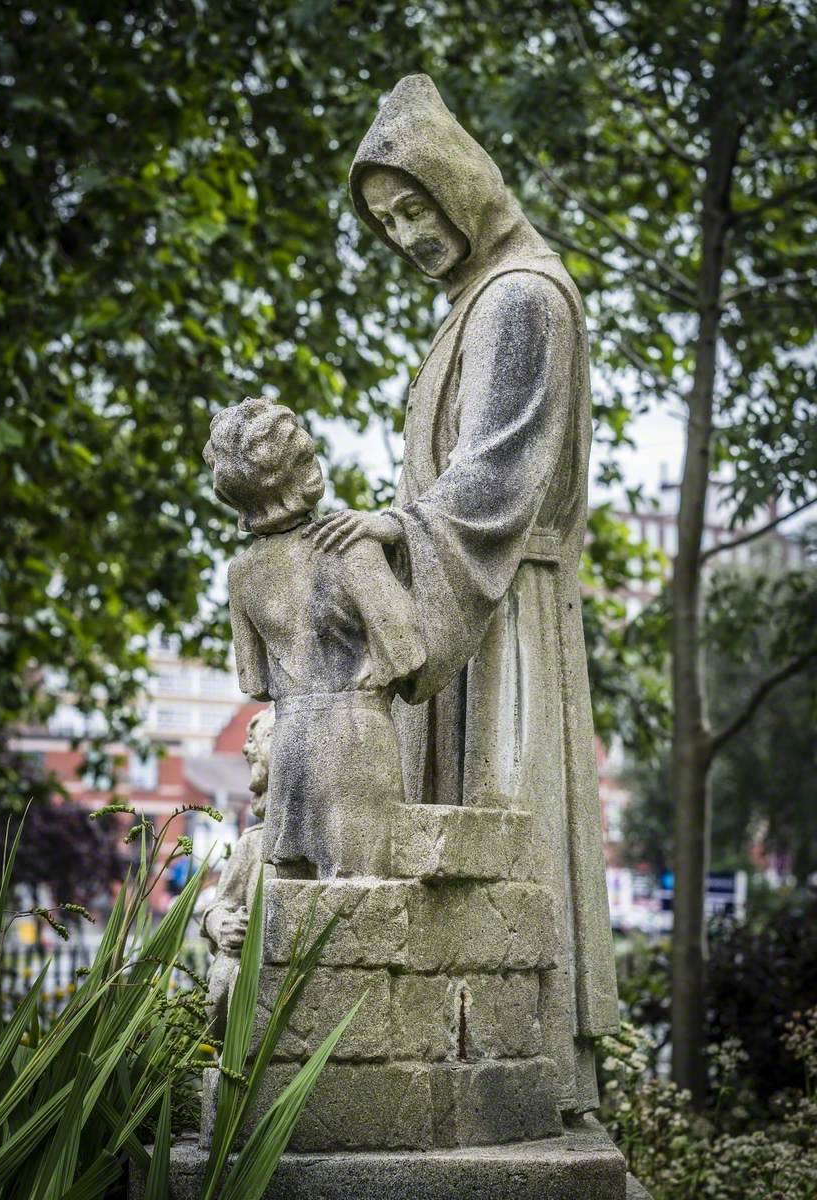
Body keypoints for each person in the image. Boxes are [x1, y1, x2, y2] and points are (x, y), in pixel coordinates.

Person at [307, 74, 619, 1115]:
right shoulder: (480, 302)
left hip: (499, 612)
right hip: (462, 593)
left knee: (502, 815)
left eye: (412, 206)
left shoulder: (522, 296)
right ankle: (461, 1065)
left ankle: (525, 1071)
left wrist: (398, 529)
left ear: (458, 185)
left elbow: (496, 469)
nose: (404, 234)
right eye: (385, 221)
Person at [203, 397, 425, 883]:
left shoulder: (242, 574)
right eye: (305, 456)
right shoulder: (349, 543)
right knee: (361, 901)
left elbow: (253, 679)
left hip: (291, 746)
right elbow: (407, 649)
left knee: (290, 912)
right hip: (355, 740)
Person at [201, 706, 274, 1039]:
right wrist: (223, 928)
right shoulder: (252, 844)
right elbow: (214, 909)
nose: (246, 749)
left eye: (255, 743)